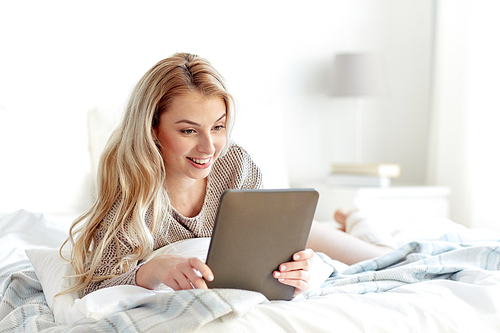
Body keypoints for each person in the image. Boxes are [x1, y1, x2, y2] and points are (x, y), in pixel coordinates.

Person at [62, 53, 391, 298]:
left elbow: (270, 244)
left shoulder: (234, 163)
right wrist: (148, 271)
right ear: (152, 129)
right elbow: (96, 285)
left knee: (384, 258)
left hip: (298, 229)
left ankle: (353, 217)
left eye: (218, 127)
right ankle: (348, 219)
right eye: (189, 130)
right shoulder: (129, 189)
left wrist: (301, 269)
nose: (209, 147)